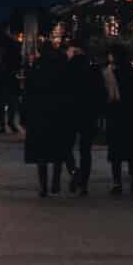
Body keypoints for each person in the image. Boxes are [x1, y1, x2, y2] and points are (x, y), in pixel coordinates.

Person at [22, 37, 72, 196]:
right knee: (57, 149)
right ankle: (55, 182)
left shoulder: (36, 66)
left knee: (41, 152)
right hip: (58, 113)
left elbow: (28, 92)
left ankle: (43, 186)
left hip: (39, 113)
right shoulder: (62, 66)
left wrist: (25, 116)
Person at [101, 44, 133, 196]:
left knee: (116, 152)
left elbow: (106, 95)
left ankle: (117, 183)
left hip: (117, 115)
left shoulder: (109, 73)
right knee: (132, 152)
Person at [62, 36, 107, 194]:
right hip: (88, 114)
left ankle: (75, 171)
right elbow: (101, 93)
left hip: (70, 113)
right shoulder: (94, 69)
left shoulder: (66, 68)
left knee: (66, 146)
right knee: (85, 150)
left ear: (75, 50)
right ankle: (84, 184)